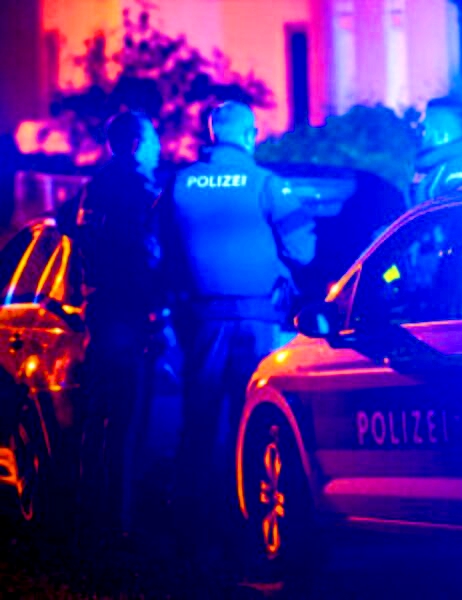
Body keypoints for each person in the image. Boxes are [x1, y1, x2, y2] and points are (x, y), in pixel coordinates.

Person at [158, 101, 315, 574]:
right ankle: (249, 528)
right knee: (256, 422)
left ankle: (188, 533)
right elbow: (304, 250)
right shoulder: (267, 184)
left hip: (202, 321)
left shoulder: (179, 185)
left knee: (198, 426)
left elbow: (157, 250)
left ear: (212, 134)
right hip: (259, 321)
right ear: (249, 135)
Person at [61, 111, 162, 552]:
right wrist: (157, 308)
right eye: (153, 140)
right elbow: (147, 255)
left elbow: (68, 229)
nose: (159, 148)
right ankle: (121, 522)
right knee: (127, 417)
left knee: (99, 414)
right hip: (127, 311)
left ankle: (88, 514)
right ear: (136, 144)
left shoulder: (92, 189)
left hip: (99, 308)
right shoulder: (138, 193)